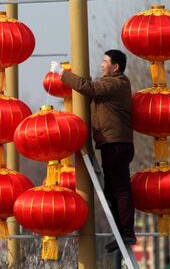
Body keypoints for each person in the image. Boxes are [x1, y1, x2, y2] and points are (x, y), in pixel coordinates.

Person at [50, 50, 135, 253]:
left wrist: (62, 73)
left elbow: (88, 88)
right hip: (111, 143)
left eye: (105, 62)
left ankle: (127, 232)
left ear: (115, 67)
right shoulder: (111, 84)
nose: (102, 65)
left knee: (120, 190)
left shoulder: (116, 83)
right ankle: (121, 231)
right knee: (111, 191)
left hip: (117, 144)